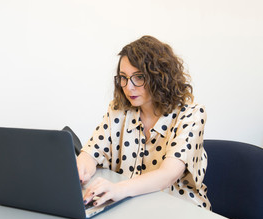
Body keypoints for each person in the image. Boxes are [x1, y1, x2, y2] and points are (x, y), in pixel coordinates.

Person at [77, 35, 211, 210]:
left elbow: (167, 175)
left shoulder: (191, 114)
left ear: (160, 77)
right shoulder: (118, 110)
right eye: (123, 77)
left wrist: (118, 189)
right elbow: (91, 152)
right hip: (133, 209)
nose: (128, 87)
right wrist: (81, 169)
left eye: (139, 77)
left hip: (180, 213)